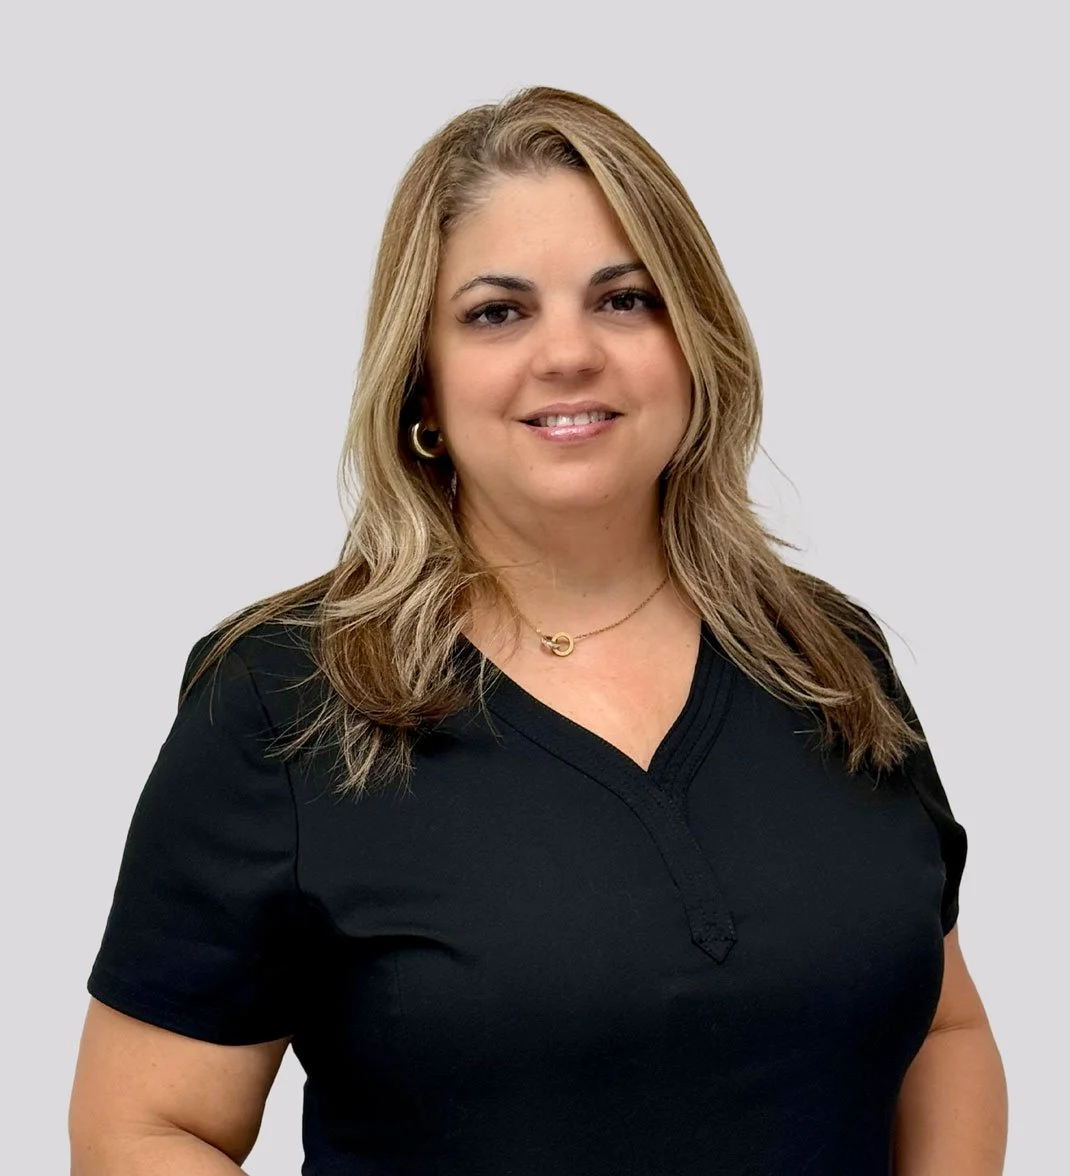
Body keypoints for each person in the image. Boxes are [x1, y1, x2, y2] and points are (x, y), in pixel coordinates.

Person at [68, 86, 1007, 1174]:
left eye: (625, 300)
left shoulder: (829, 661)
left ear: (694, 346)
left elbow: (944, 1030)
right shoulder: (283, 702)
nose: (569, 354)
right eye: (497, 312)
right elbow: (142, 1128)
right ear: (423, 381)